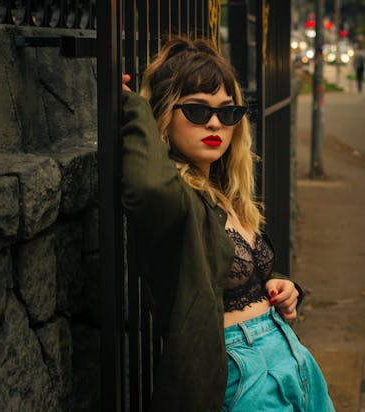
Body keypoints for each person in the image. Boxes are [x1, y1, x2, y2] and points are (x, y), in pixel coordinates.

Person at [121, 37, 335, 411]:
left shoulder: (224, 194)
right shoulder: (178, 203)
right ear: (165, 114)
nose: (216, 123)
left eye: (227, 112)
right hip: (240, 374)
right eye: (198, 111)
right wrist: (133, 106)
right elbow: (147, 185)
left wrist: (279, 285)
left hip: (292, 360)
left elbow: (232, 276)